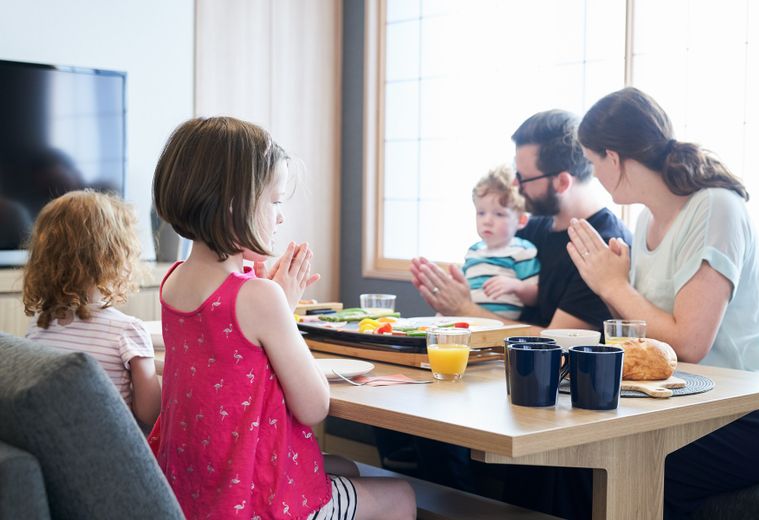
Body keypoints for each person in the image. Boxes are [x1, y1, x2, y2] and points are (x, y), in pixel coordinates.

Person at [147, 116, 415, 520]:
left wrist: (277, 308)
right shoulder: (259, 296)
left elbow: (235, 359)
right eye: (274, 202)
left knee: (343, 465)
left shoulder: (174, 281)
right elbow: (313, 407)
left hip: (195, 488)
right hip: (250, 502)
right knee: (402, 495)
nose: (280, 217)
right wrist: (280, 308)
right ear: (234, 204)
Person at [570, 86, 759, 518]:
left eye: (592, 161)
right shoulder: (647, 220)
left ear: (614, 158)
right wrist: (614, 284)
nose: (594, 173)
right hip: (692, 403)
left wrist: (612, 286)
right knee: (578, 456)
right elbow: (647, 342)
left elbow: (688, 343)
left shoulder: (715, 207)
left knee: (625, 464)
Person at [411, 109, 631, 333]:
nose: (515, 184)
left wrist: (464, 309)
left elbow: (557, 340)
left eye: (524, 177)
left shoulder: (602, 248)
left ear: (562, 183)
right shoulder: (529, 229)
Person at [22, 190, 161, 428]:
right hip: (114, 454)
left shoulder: (37, 328)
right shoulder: (126, 332)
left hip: (61, 449)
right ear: (114, 257)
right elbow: (150, 413)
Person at [464, 164, 539, 320]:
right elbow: (462, 290)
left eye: (499, 214)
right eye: (481, 213)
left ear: (521, 220)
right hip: (470, 322)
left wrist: (516, 286)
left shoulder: (522, 251)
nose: (487, 221)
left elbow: (535, 297)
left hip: (504, 328)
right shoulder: (473, 252)